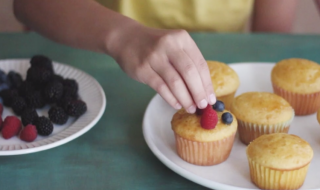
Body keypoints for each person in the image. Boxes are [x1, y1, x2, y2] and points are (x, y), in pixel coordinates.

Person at [13, 0, 298, 113]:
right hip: (93, 76)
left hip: (223, 75)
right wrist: (121, 35)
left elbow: (270, 39)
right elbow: (27, 5)